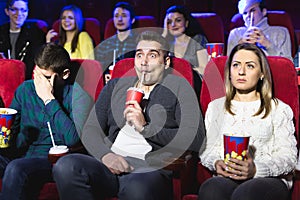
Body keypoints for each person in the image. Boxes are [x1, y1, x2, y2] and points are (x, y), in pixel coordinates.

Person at [52, 31, 205, 200]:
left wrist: (146, 128)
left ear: (166, 62)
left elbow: (196, 136)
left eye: (152, 55)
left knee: (136, 189)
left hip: (148, 169)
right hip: (110, 163)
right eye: (139, 55)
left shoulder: (179, 88)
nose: (144, 62)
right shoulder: (115, 86)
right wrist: (105, 155)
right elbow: (91, 129)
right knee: (66, 166)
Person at [198, 43, 298, 200]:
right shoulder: (215, 107)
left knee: (245, 195)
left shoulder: (279, 109)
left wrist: (256, 169)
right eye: (236, 65)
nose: (241, 71)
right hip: (228, 176)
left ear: (261, 74)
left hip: (269, 179)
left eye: (250, 66)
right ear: (229, 72)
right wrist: (217, 163)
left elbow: (289, 157)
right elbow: (207, 150)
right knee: (211, 190)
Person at [0, 43, 93, 199]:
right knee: (13, 163)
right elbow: (12, 137)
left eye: (47, 78)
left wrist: (49, 99)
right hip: (22, 154)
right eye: (38, 75)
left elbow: (73, 139)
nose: (40, 83)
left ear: (65, 74)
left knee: (16, 168)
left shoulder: (78, 95)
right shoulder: (25, 90)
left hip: (53, 161)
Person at [227, 0, 293, 61]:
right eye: (245, 13)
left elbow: (288, 64)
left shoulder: (280, 32)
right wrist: (240, 45)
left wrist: (268, 45)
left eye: (252, 10)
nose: (248, 15)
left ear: (263, 11)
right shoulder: (235, 33)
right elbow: (228, 64)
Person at [0, 0, 45, 80]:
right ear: (7, 11)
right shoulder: (1, 31)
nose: (19, 14)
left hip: (25, 80)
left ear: (27, 12)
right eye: (14, 9)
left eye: (23, 10)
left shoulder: (36, 34)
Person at [95, 1, 137, 84]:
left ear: (132, 20)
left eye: (124, 16)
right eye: (116, 16)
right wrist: (105, 75)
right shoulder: (105, 44)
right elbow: (98, 67)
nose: (120, 19)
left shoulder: (138, 42)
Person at [162, 5, 209, 75]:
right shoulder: (167, 44)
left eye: (178, 20)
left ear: (186, 23)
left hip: (194, 82)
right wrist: (164, 33)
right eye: (169, 22)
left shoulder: (198, 39)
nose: (173, 25)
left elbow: (203, 69)